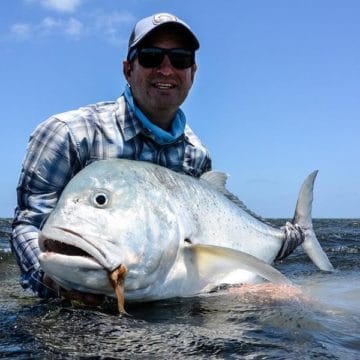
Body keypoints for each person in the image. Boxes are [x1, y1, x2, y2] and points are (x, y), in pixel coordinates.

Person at [11, 12, 212, 304]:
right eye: (151, 57)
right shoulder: (67, 134)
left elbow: (201, 246)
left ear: (193, 73)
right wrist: (53, 281)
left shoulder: (197, 155)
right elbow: (28, 224)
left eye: (180, 59)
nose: (166, 69)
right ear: (128, 69)